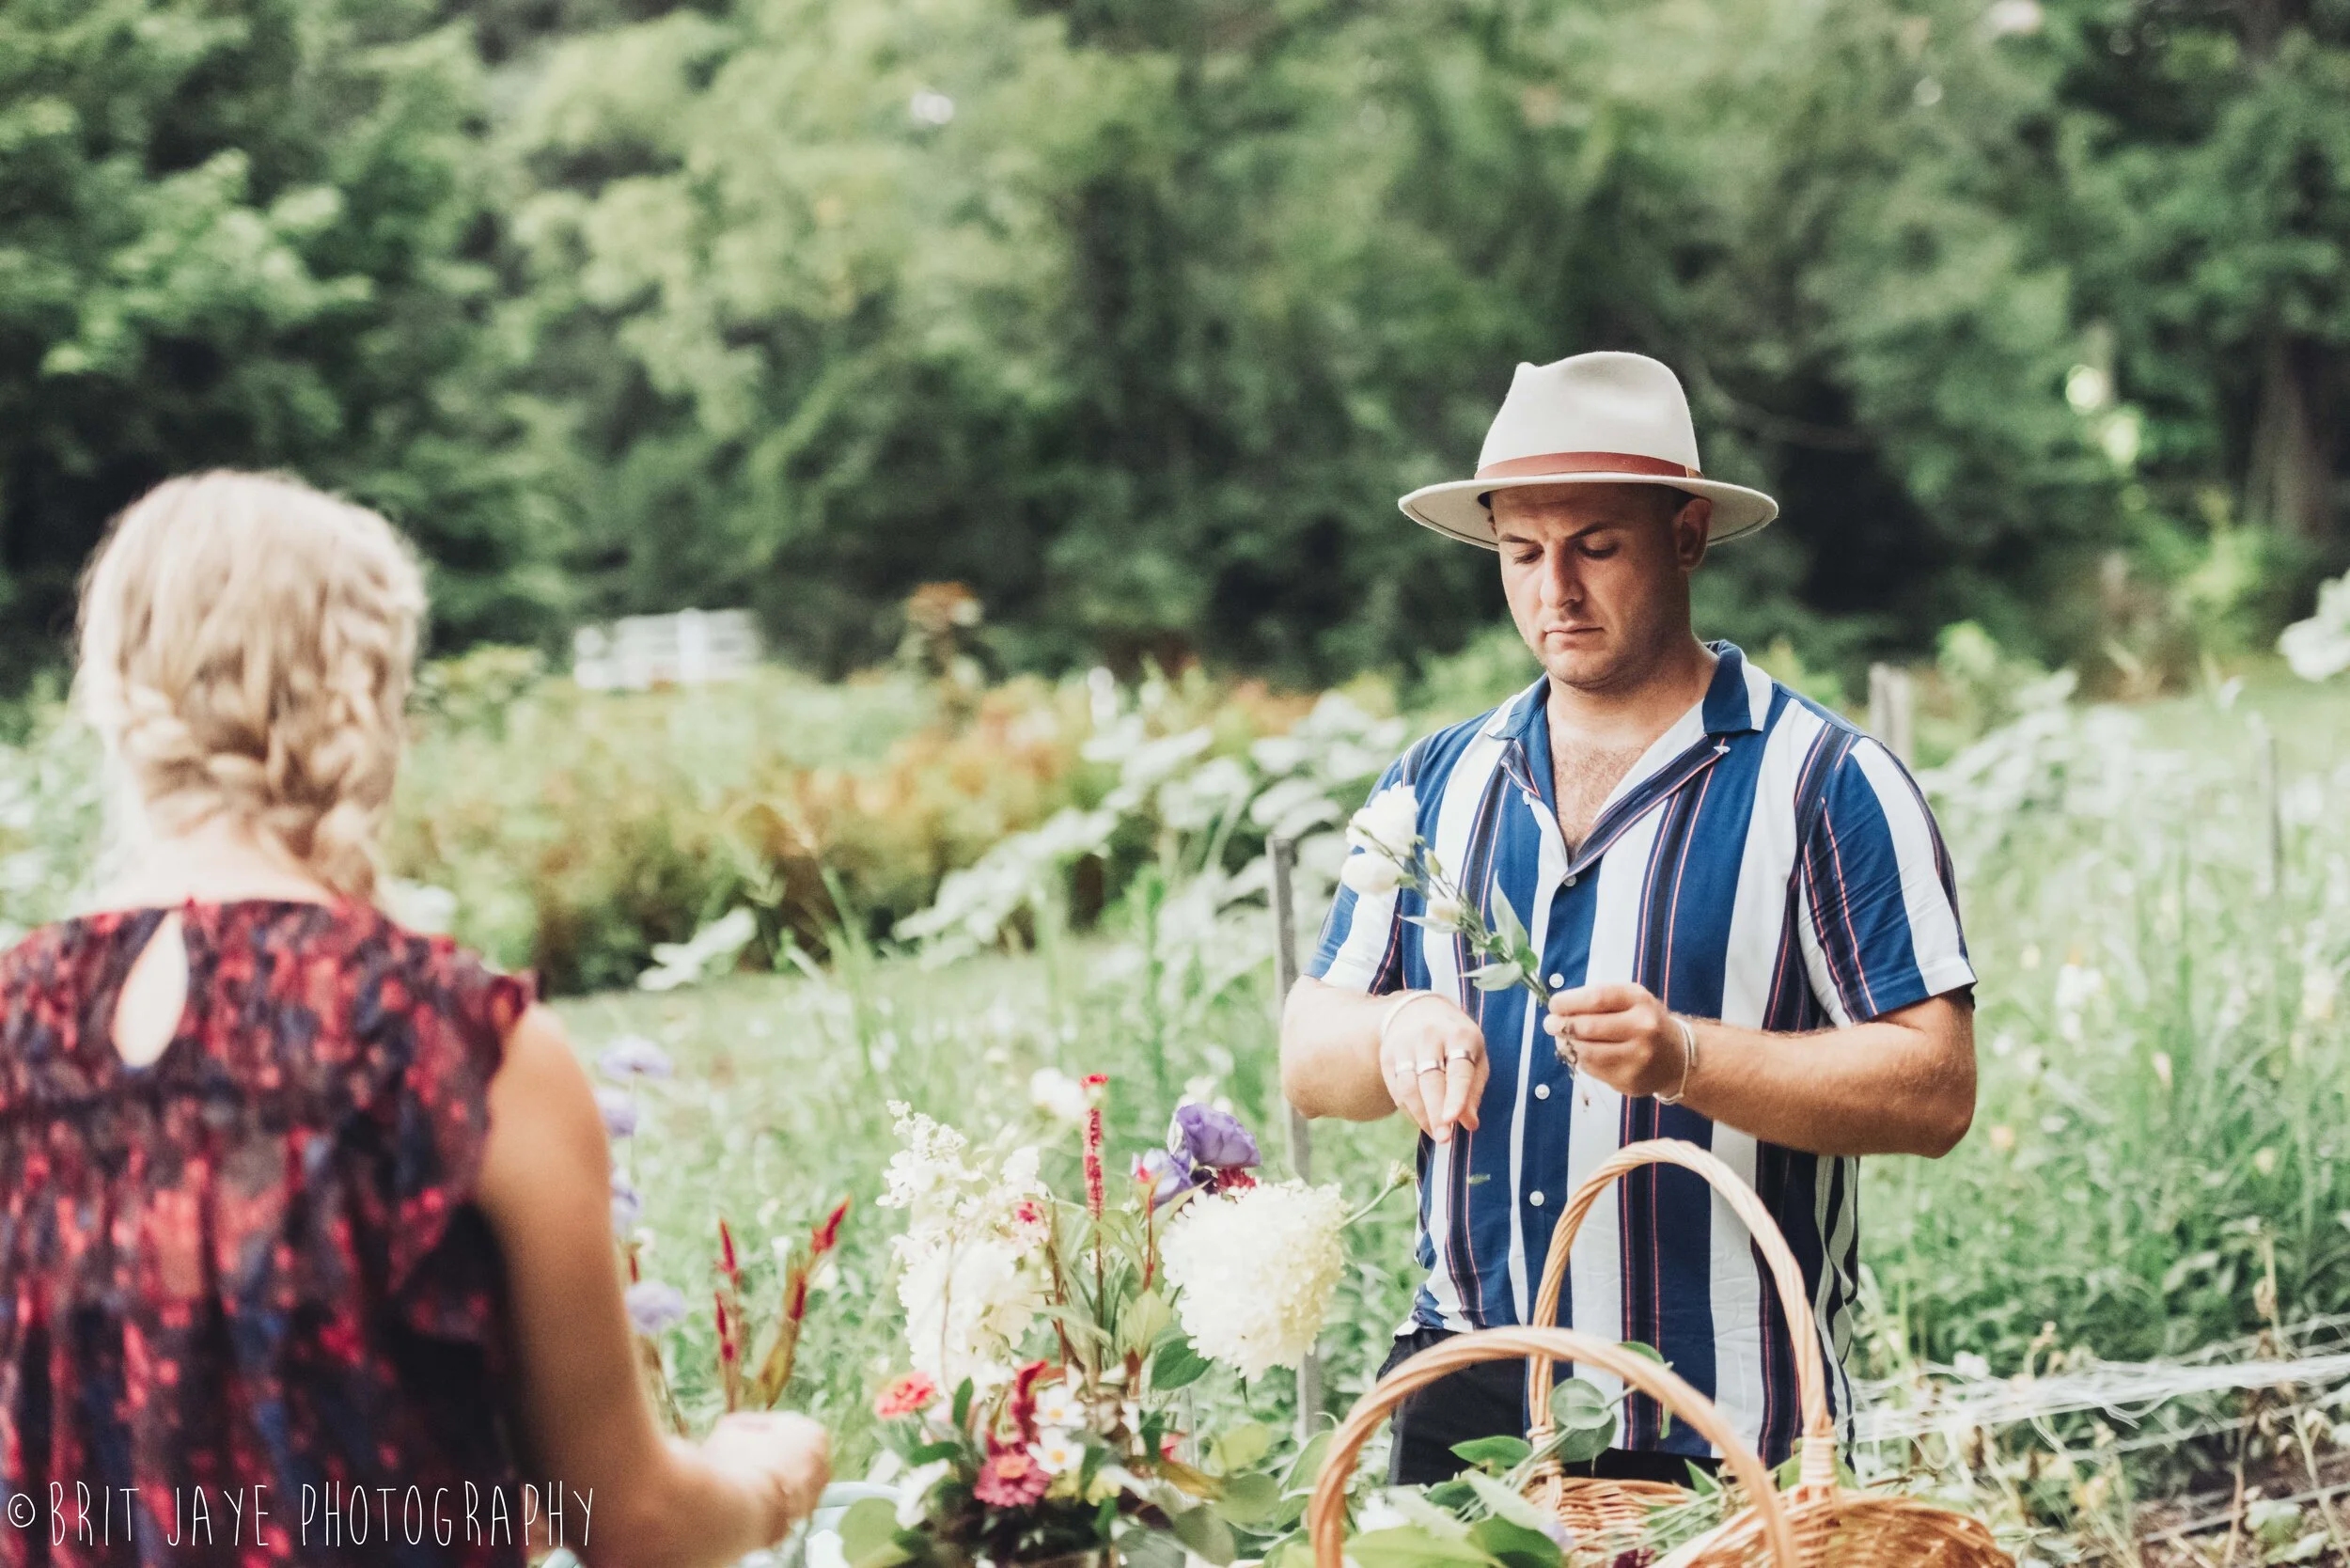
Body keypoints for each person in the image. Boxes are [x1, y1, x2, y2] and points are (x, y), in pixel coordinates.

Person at [0, 471, 829, 1566]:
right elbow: (637, 1524)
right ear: (370, 692)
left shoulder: (20, 1021)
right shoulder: (457, 1043)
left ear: (115, 694)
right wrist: (766, 1478)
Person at [1280, 352, 1978, 1483]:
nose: (1554, 590)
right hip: (1465, 1397)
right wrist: (1393, 1026)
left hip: (1721, 1421)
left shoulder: (1827, 783)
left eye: (1595, 547)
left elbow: (1936, 1090)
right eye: (1519, 553)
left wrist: (1688, 1056)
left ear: (1687, 536)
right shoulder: (1433, 782)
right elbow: (1312, 1056)